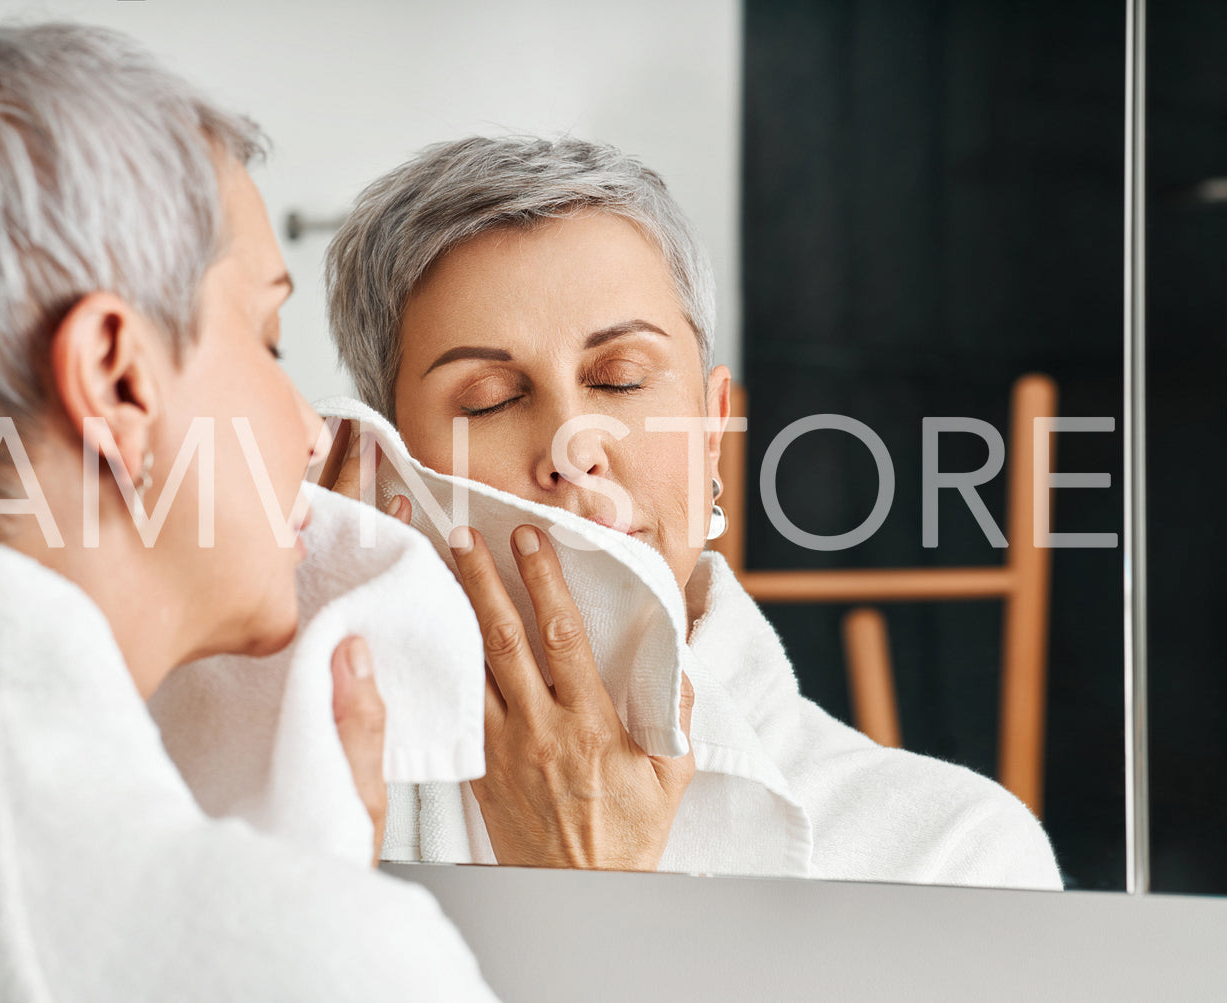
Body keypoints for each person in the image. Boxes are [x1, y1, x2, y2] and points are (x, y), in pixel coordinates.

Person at [0, 18, 495, 1000]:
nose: (312, 432)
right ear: (117, 381)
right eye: (269, 338)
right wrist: (314, 932)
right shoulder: (293, 956)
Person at [324, 135, 1064, 888]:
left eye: (619, 380)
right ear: (387, 465)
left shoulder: (952, 854)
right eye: (493, 399)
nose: (574, 446)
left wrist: (587, 890)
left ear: (711, 430)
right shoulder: (308, 807)